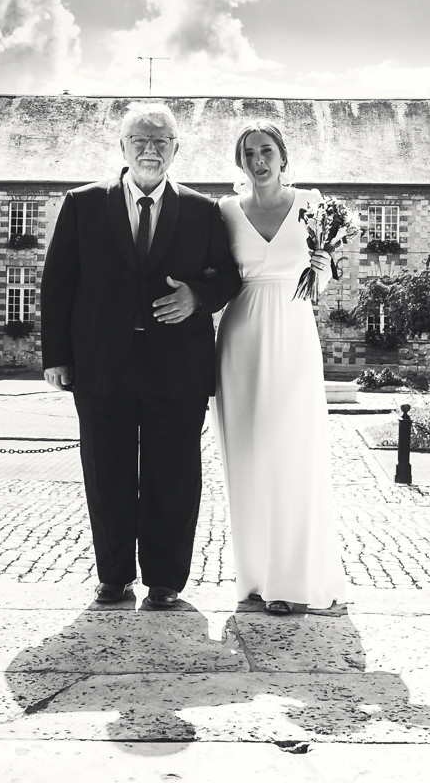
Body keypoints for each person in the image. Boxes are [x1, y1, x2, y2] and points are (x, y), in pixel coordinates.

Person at [41, 105, 241, 610]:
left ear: (176, 148)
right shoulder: (83, 203)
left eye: (161, 141)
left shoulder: (203, 211)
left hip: (177, 369)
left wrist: (197, 296)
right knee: (105, 472)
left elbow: (229, 277)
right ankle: (113, 577)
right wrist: (56, 356)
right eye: (140, 140)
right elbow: (58, 283)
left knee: (172, 476)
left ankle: (166, 580)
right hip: (100, 365)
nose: (150, 149)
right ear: (122, 146)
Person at [213, 121, 347, 616]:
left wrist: (324, 268)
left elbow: (321, 281)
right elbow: (215, 274)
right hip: (240, 338)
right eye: (249, 153)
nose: (258, 160)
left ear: (283, 157)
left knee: (292, 456)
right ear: (240, 161)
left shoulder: (312, 205)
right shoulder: (226, 211)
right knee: (247, 458)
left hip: (293, 335)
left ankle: (289, 581)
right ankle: (254, 576)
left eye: (266, 150)